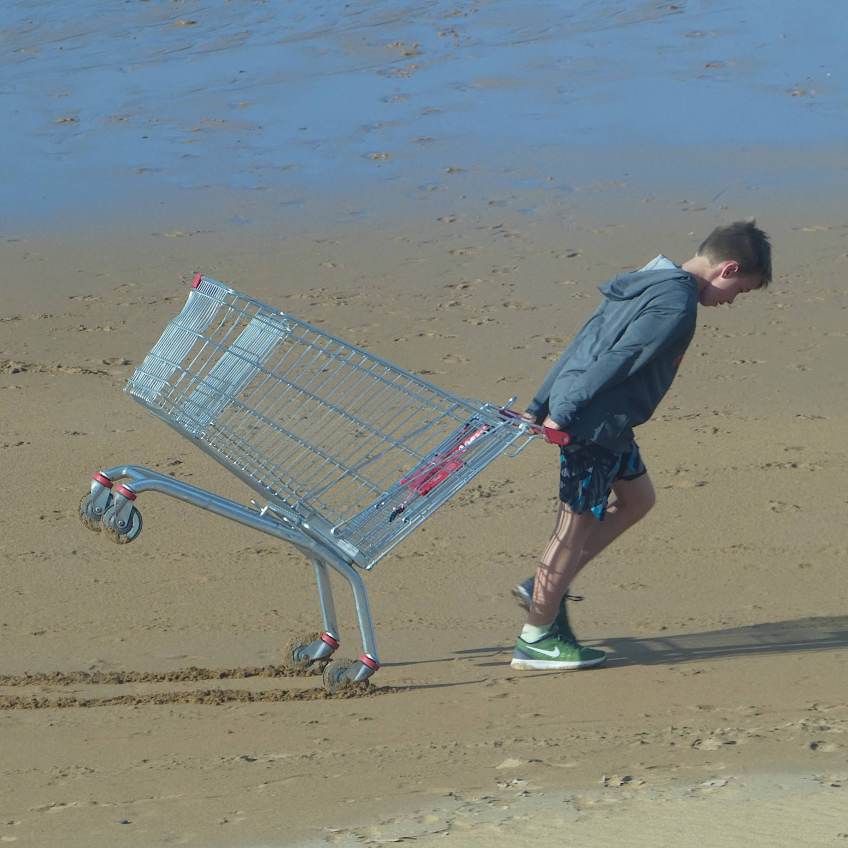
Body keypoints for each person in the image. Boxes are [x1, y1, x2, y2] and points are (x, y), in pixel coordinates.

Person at [510, 220, 772, 671]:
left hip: (610, 424)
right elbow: (621, 356)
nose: (732, 301)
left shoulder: (653, 277)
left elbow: (586, 339)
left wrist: (538, 403)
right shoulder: (676, 302)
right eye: (740, 291)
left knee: (638, 499)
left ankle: (542, 587)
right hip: (591, 424)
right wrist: (561, 412)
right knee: (573, 528)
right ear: (728, 269)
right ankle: (535, 638)